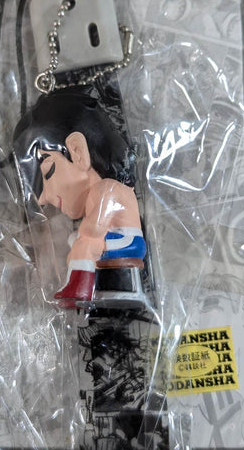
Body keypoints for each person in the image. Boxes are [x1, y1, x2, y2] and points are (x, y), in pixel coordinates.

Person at [13, 89, 146, 308]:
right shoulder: (101, 191)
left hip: (129, 242)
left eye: (48, 172)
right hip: (116, 239)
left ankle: (79, 289)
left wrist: (83, 240)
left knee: (83, 245)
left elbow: (94, 229)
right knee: (78, 242)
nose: (43, 199)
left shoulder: (107, 189)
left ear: (77, 151)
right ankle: (80, 285)